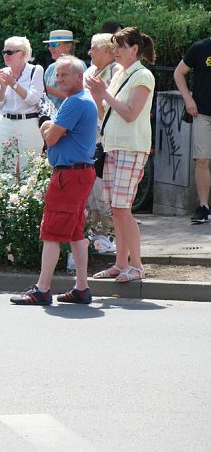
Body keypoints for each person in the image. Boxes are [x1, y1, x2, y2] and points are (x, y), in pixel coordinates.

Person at [9, 56, 99, 304]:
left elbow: (50, 138)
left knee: (51, 232)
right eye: (57, 75)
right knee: (75, 233)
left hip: (69, 175)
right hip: (79, 173)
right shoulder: (82, 99)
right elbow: (54, 134)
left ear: (79, 77)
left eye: (64, 75)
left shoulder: (74, 102)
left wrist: (47, 125)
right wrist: (51, 127)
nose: (58, 79)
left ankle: (42, 290)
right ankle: (82, 288)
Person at [87, 27, 156, 283]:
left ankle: (136, 265)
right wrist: (98, 96)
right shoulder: (119, 74)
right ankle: (121, 263)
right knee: (116, 209)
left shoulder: (143, 75)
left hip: (131, 148)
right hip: (113, 147)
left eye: (120, 46)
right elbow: (105, 113)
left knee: (122, 208)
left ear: (134, 49)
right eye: (114, 46)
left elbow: (129, 113)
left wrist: (103, 93)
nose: (114, 51)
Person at [85, 33, 121, 236]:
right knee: (91, 191)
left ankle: (109, 234)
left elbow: (112, 106)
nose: (89, 52)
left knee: (103, 190)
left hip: (106, 138)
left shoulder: (116, 71)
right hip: (88, 136)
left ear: (107, 50)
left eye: (93, 48)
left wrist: (98, 100)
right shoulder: (90, 71)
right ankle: (95, 235)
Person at [174, 34, 211, 224]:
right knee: (202, 159)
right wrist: (188, 99)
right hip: (202, 113)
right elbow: (178, 72)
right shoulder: (200, 47)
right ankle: (203, 206)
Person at [0, 36, 46, 171]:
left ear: (22, 54)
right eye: (4, 52)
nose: (6, 55)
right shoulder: (3, 72)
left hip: (28, 122)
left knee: (30, 168)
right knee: (4, 167)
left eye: (10, 52)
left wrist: (13, 84)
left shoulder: (36, 70)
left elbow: (33, 99)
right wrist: (3, 88)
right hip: (6, 122)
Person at [42, 30, 86, 110]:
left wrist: (46, 88)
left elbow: (80, 96)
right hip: (52, 115)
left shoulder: (78, 65)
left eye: (54, 44)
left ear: (68, 46)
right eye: (49, 45)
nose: (50, 48)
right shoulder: (51, 68)